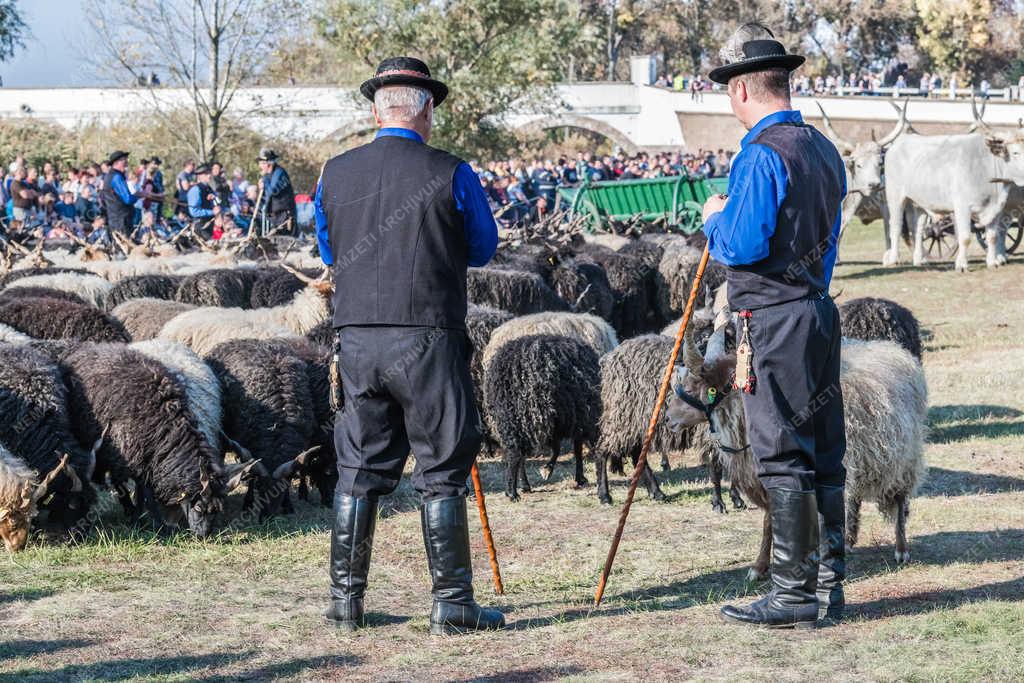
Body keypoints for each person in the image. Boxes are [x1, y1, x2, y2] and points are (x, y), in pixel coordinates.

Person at [314, 56, 503, 635]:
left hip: (356, 341)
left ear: (376, 110)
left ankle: (347, 603)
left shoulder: (333, 172)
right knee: (442, 466)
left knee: (359, 467)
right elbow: (483, 247)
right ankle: (451, 604)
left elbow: (327, 251)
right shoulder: (450, 170)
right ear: (427, 112)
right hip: (427, 336)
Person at [699, 22, 847, 629]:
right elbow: (830, 241)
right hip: (817, 310)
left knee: (783, 450)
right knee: (824, 450)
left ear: (740, 91)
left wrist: (714, 216)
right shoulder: (822, 148)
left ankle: (791, 594)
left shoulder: (761, 154)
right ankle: (830, 584)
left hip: (773, 320)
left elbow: (743, 242)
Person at [101, 150, 144, 235]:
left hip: (115, 219)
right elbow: (127, 199)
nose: (127, 162)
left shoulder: (110, 176)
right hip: (121, 221)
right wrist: (139, 196)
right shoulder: (116, 177)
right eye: (124, 160)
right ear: (117, 162)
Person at [257, 149, 296, 235]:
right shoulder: (267, 175)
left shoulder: (279, 173)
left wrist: (264, 181)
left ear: (268, 163)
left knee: (284, 240)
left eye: (261, 163)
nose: (260, 166)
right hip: (275, 216)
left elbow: (273, 191)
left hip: (284, 215)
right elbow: (266, 196)